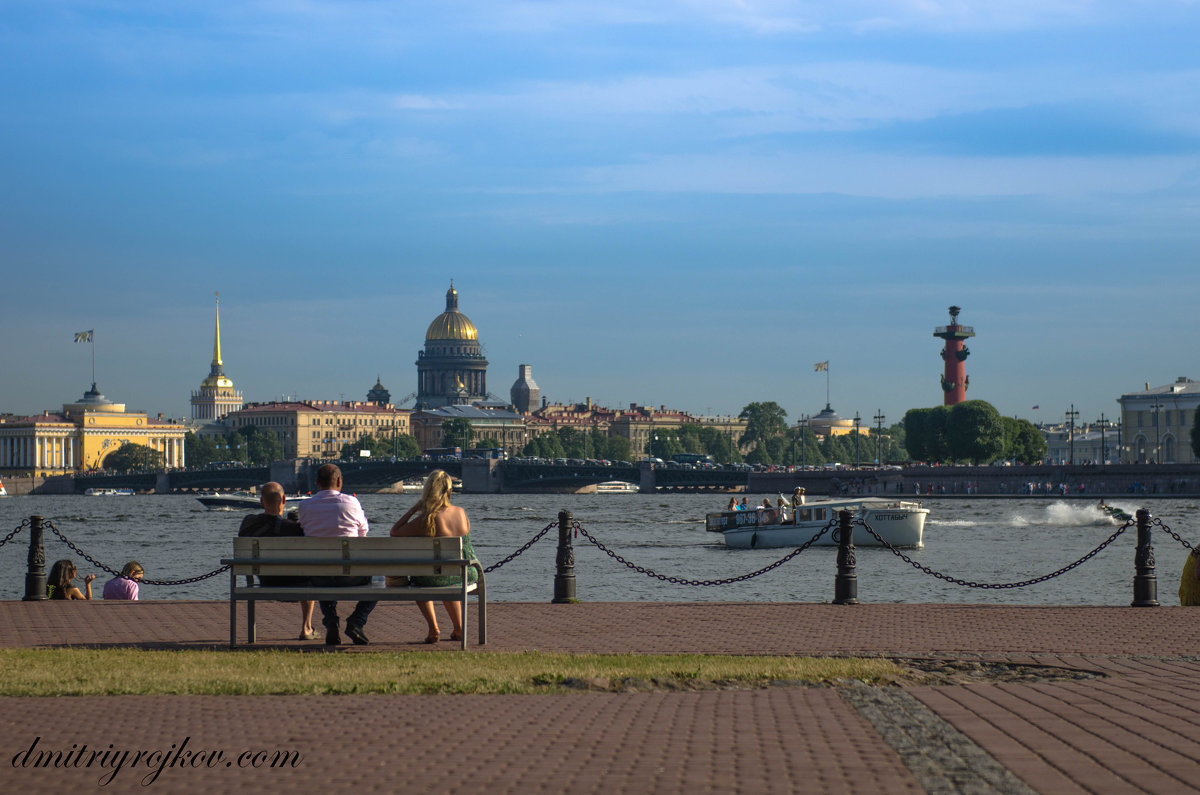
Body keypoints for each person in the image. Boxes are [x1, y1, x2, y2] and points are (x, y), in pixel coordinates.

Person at [389, 469, 478, 644]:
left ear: (427, 492)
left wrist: (415, 508)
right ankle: (459, 628)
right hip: (467, 573)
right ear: (449, 491)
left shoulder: (427, 519)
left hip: (439, 576)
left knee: (423, 577)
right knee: (446, 574)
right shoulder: (461, 512)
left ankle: (433, 628)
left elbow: (395, 531)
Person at [298, 464, 375, 645]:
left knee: (323, 571)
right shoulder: (351, 503)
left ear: (317, 483)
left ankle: (331, 621)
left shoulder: (304, 506)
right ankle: (357, 621)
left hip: (318, 576)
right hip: (351, 576)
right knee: (377, 579)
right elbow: (363, 532)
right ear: (339, 481)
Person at [239, 482, 318, 640]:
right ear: (284, 500)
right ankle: (306, 627)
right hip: (297, 584)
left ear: (261, 502)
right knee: (309, 572)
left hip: (265, 581)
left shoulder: (248, 523)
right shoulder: (295, 528)